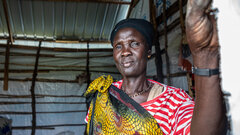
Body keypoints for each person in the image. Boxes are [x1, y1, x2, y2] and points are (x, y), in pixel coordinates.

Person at [84, 0, 227, 134]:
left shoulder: (173, 101)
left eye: (134, 43)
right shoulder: (104, 96)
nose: (125, 52)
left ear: (148, 52)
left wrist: (205, 55)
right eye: (118, 46)